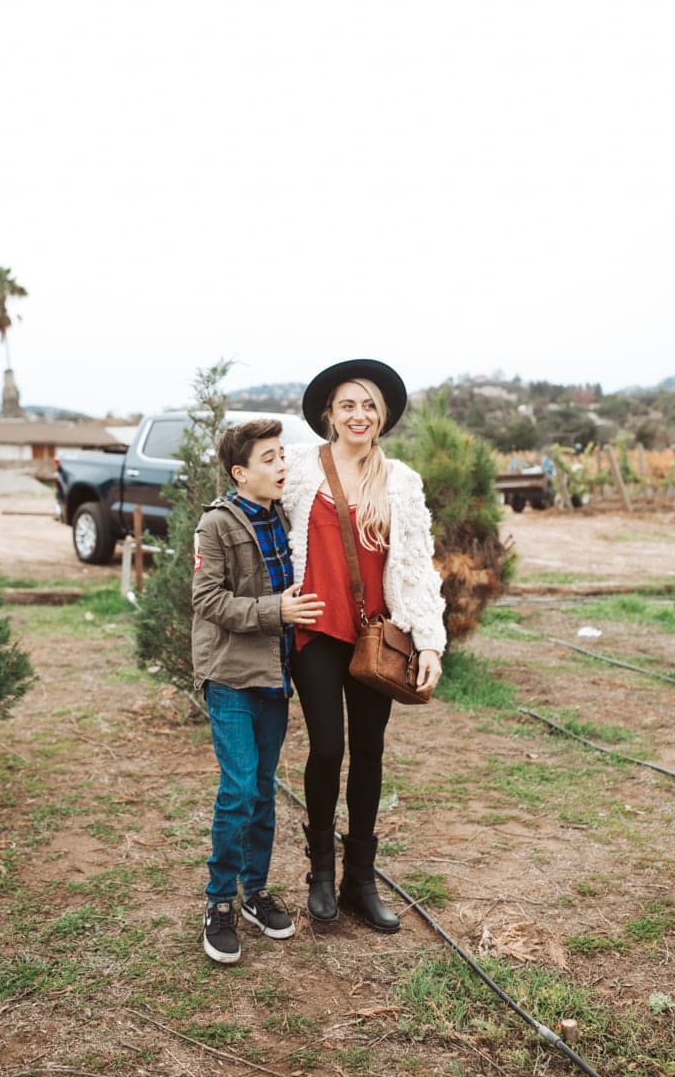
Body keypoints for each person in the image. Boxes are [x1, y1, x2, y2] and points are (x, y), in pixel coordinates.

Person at [282, 360, 446, 933]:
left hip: (377, 636)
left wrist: (428, 642)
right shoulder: (299, 471)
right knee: (328, 748)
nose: (359, 415)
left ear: (383, 418)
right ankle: (321, 874)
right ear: (328, 414)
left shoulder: (400, 480)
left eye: (369, 405)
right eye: (347, 405)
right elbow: (261, 529)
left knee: (369, 752)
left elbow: (417, 566)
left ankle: (360, 880)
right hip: (315, 632)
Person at [192, 418, 325, 964]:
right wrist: (278, 611)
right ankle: (219, 902)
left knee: (264, 789)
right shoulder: (217, 526)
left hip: (274, 673)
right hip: (229, 674)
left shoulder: (286, 518)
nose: (281, 466)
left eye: (283, 456)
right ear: (240, 472)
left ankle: (255, 891)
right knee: (240, 788)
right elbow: (207, 599)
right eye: (269, 459)